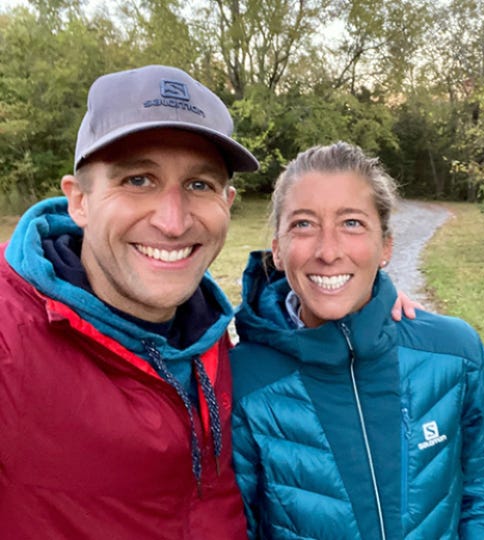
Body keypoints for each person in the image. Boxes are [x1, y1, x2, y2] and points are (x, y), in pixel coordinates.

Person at [0, 66, 416, 539]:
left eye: (199, 185)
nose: (174, 222)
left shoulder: (213, 337)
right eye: (138, 180)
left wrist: (362, 296)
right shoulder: (10, 338)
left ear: (228, 202)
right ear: (80, 202)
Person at [230, 142, 484, 539]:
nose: (328, 251)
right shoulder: (244, 382)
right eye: (303, 224)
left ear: (386, 246)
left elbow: (480, 485)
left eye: (352, 223)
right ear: (277, 249)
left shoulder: (455, 354)